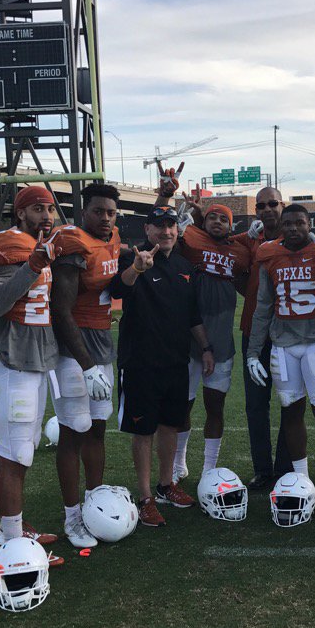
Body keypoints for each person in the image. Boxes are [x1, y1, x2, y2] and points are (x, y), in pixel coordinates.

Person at [247, 203, 315, 516]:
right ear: (281, 226)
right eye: (288, 223)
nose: (294, 228)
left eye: (300, 223)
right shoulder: (269, 254)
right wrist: (254, 351)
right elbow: (263, 306)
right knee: (291, 414)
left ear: (310, 224)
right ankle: (302, 482)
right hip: (283, 347)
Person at [108, 205, 215, 527]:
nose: (166, 232)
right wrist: (138, 269)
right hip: (140, 362)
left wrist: (206, 348)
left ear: (177, 230)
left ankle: (166, 484)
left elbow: (192, 315)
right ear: (148, 231)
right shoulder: (132, 258)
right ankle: (144, 497)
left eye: (171, 226)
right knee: (143, 431)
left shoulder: (184, 267)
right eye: (159, 227)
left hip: (176, 361)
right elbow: (117, 289)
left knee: (172, 425)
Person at [0, 185, 63, 565]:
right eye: (37, 208)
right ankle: (12, 544)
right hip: (14, 362)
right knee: (13, 456)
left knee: (24, 451)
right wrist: (32, 265)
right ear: (20, 214)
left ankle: (11, 527)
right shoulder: (9, 246)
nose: (46, 215)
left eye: (50, 208)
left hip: (34, 362)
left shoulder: (41, 243)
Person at [48, 183, 122, 548]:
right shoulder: (72, 244)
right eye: (98, 211)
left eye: (110, 212)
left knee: (97, 427)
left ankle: (94, 499)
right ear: (83, 210)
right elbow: (60, 310)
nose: (105, 218)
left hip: (100, 344)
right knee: (73, 430)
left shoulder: (112, 237)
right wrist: (87, 364)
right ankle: (72, 515)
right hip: (72, 350)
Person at [173, 202, 251, 484]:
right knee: (183, 405)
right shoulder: (190, 238)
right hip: (188, 336)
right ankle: (178, 463)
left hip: (220, 339)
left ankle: (209, 468)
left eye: (224, 219)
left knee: (215, 406)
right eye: (212, 217)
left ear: (231, 225)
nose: (218, 222)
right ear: (203, 222)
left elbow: (247, 276)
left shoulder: (239, 251)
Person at [237, 187, 294, 490]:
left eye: (273, 203)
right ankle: (262, 469)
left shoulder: (297, 238)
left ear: (282, 205)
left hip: (289, 333)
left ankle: (285, 468)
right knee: (256, 404)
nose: (268, 209)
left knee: (290, 401)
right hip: (254, 332)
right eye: (261, 205)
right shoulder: (249, 240)